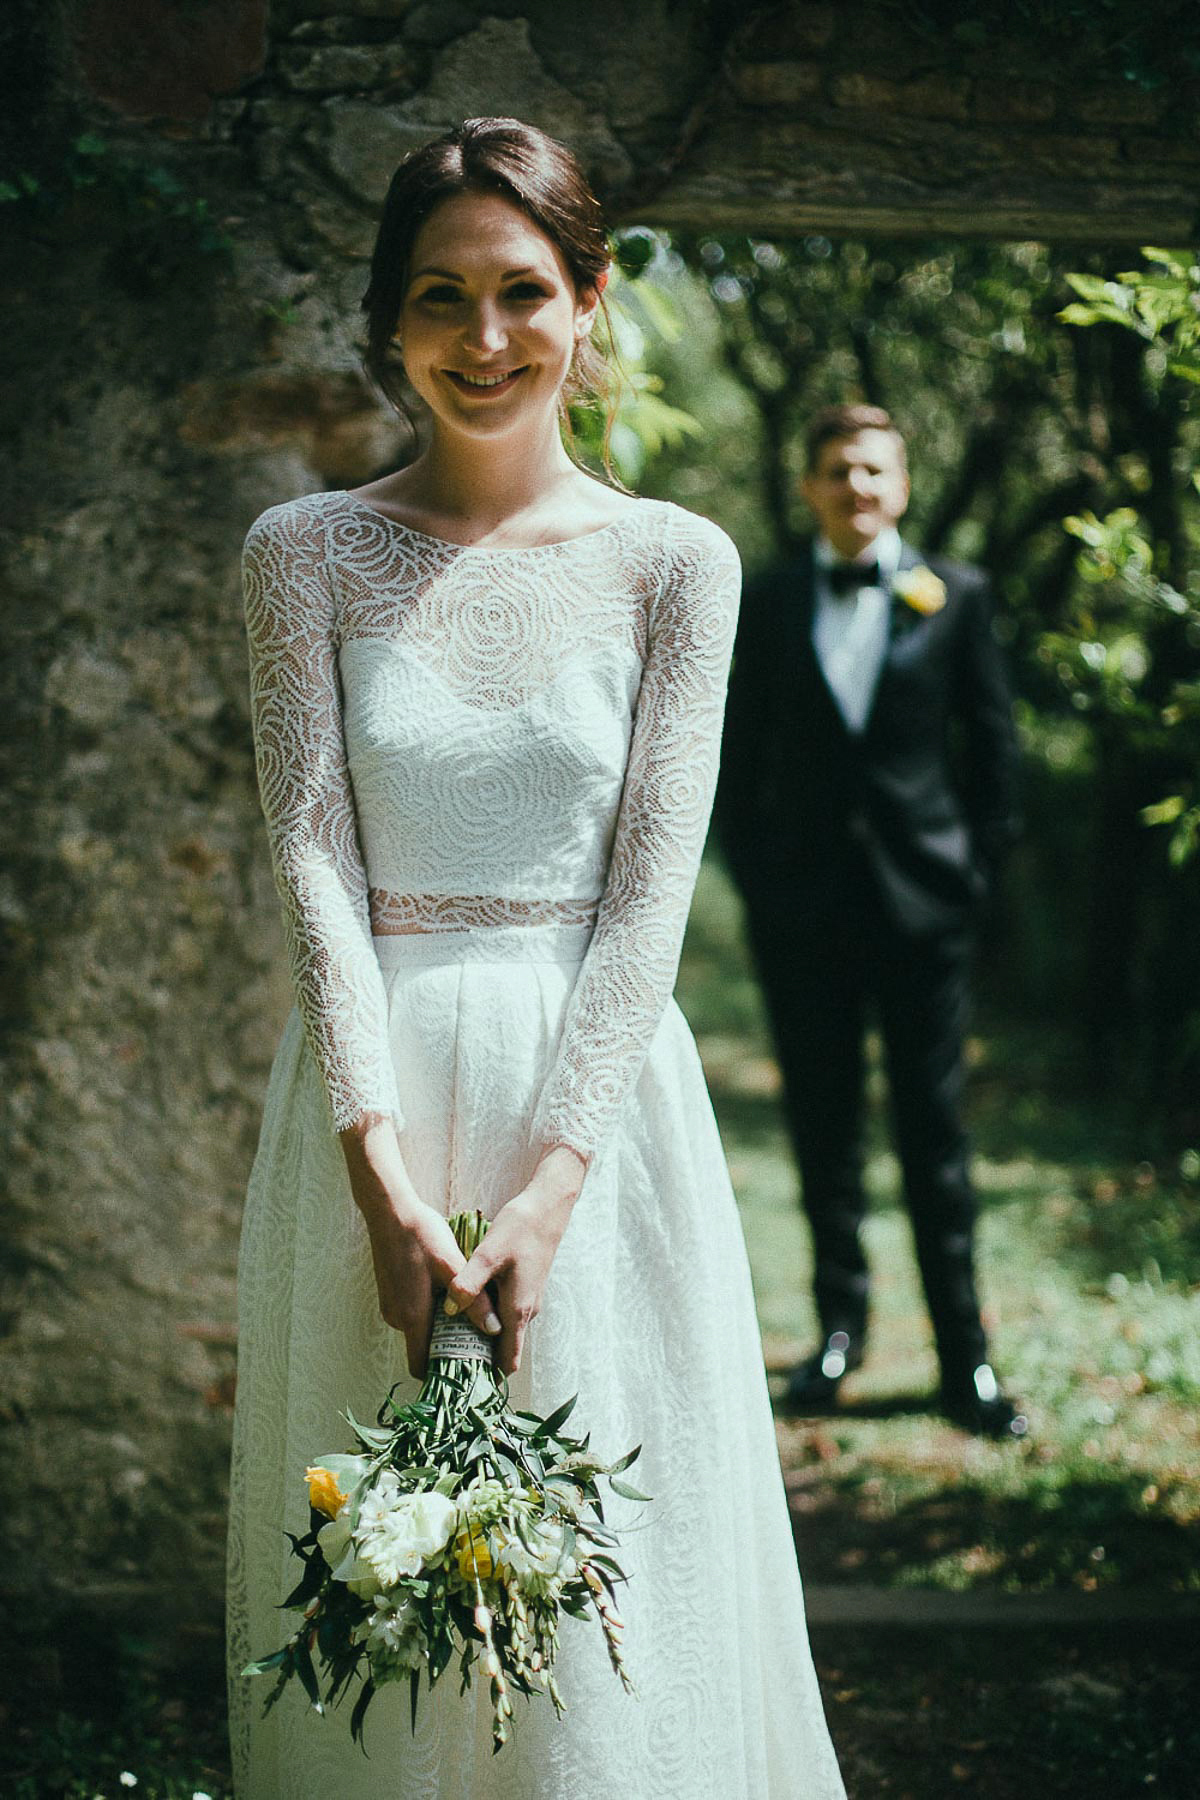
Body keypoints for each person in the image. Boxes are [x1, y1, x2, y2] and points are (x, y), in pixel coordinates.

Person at [225, 118, 845, 1799]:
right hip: (377, 1101)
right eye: (440, 297)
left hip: (601, 1107)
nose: (481, 340)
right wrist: (374, 1168)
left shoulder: (675, 565)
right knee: (377, 1557)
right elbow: (309, 851)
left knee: (612, 1577)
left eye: (520, 293)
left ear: (588, 304)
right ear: (391, 319)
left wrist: (557, 1180)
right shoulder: (304, 558)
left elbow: (653, 885)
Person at [717, 403, 1025, 1439]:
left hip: (923, 911)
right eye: (838, 470)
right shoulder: (761, 602)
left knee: (937, 1137)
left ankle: (964, 1362)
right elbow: (733, 757)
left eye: (875, 472)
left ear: (902, 487)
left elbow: (994, 754)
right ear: (809, 484)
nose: (857, 488)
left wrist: (973, 880)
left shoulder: (960, 597)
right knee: (824, 1128)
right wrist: (759, 881)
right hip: (803, 913)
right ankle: (837, 1334)